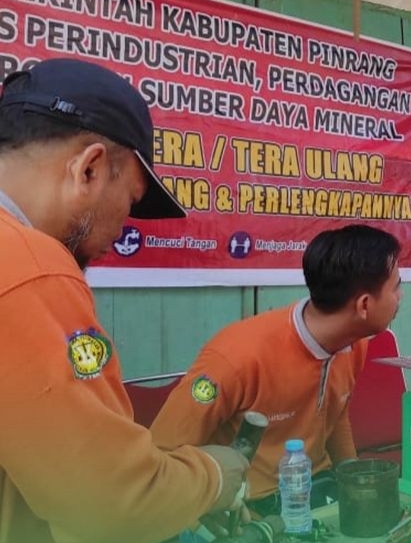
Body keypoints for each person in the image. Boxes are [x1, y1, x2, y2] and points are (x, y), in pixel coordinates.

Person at [0, 58, 250, 543]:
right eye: (131, 201)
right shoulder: (30, 267)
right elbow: (112, 506)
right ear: (90, 169)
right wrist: (213, 476)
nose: (123, 228)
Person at [150, 224, 402, 516]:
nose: (400, 297)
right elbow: (160, 455)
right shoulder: (235, 357)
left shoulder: (354, 344)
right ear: (364, 305)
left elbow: (336, 412)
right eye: (396, 286)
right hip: (248, 510)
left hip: (318, 492)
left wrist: (352, 481)